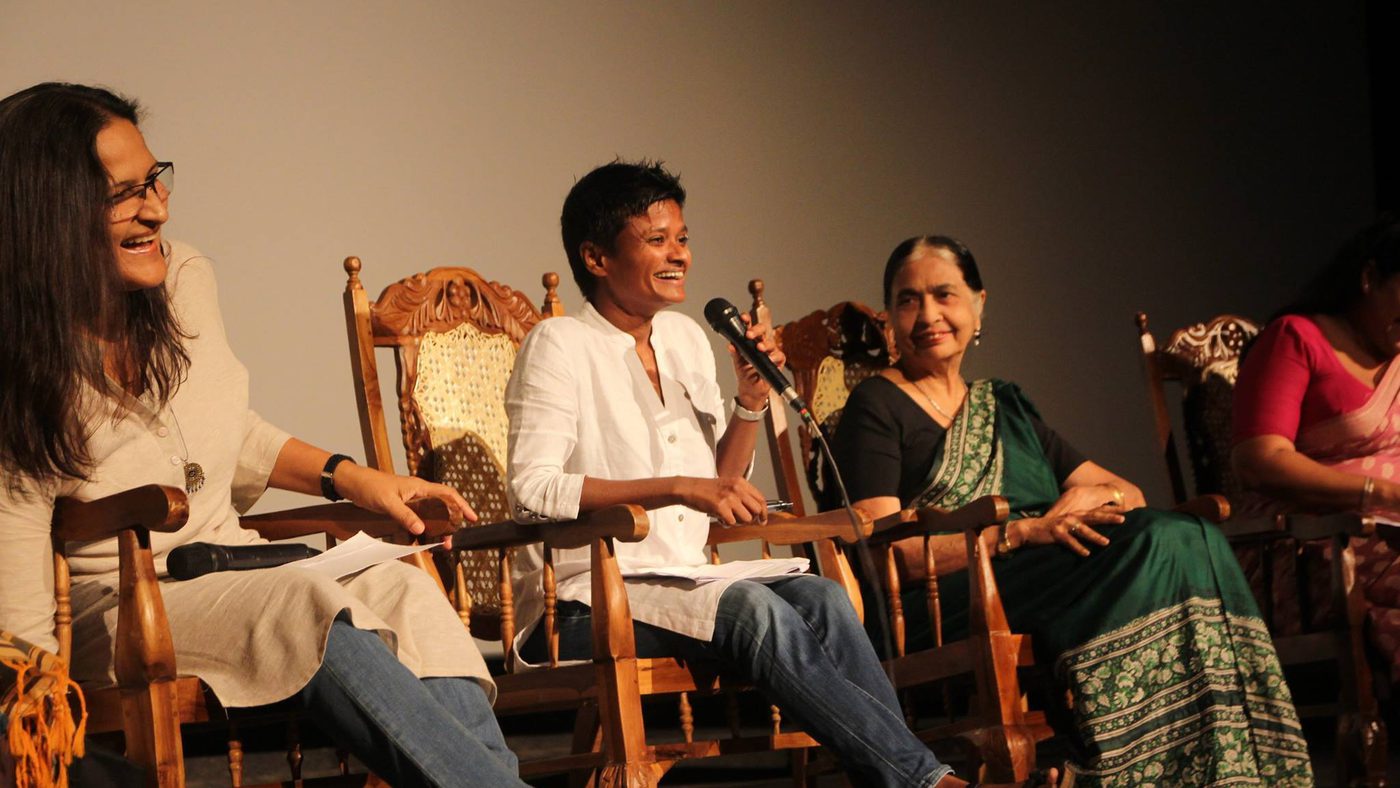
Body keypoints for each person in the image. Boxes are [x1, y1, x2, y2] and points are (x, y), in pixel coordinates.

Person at [0, 82, 524, 787]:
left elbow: (226, 428)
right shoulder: (20, 360)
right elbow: (14, 551)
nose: (156, 206)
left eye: (155, 180)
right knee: (299, 603)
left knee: (403, 588)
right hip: (122, 609)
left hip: (234, 566)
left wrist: (356, 477)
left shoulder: (184, 279)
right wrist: (34, 704)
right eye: (124, 193)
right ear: (49, 209)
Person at [506, 161, 1037, 787]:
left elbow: (717, 487)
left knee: (822, 597)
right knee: (756, 611)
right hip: (583, 599)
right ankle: (926, 782)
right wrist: (676, 486)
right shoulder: (558, 344)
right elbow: (531, 493)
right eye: (658, 240)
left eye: (682, 237)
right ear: (596, 257)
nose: (680, 254)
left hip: (682, 581)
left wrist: (751, 400)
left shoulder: (682, 340)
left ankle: (903, 777)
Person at [828, 235, 1313, 787]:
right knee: (1157, 539)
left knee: (1187, 532)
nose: (928, 314)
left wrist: (1084, 501)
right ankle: (1118, 762)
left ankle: (1224, 766)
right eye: (908, 300)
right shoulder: (877, 405)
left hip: (1044, 576)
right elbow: (888, 557)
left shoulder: (1002, 404)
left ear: (979, 303)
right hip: (949, 599)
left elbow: (1125, 491)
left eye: (944, 295)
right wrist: (1022, 533)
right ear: (890, 315)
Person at [1232, 214, 1400, 680]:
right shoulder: (1296, 338)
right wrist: (1382, 496)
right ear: (1369, 278)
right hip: (1305, 547)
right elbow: (1258, 461)